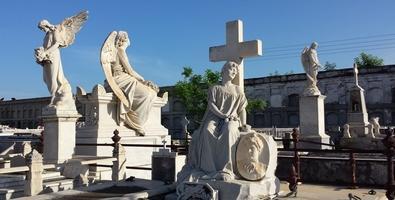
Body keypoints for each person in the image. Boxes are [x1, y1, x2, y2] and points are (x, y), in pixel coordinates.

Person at [177, 61, 249, 182]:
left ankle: (226, 169)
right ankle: (208, 169)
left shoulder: (238, 90)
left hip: (232, 118)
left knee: (229, 131)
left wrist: (243, 124)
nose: (234, 72)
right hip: (215, 117)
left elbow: (242, 109)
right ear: (223, 71)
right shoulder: (215, 88)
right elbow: (211, 105)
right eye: (231, 69)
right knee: (206, 131)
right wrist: (222, 115)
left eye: (235, 71)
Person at [35, 11, 88, 108]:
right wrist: (40, 55)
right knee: (46, 79)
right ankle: (57, 95)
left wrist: (46, 52)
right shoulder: (46, 35)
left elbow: (56, 44)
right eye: (41, 29)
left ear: (46, 25)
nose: (42, 30)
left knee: (53, 77)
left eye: (42, 28)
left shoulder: (55, 30)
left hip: (53, 55)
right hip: (46, 57)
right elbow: (45, 47)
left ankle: (54, 99)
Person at [111, 31, 158, 136]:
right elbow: (130, 71)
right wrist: (143, 80)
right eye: (127, 40)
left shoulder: (118, 50)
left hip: (124, 77)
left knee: (151, 93)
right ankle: (136, 123)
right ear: (124, 40)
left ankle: (136, 120)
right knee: (147, 94)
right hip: (121, 79)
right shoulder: (120, 50)